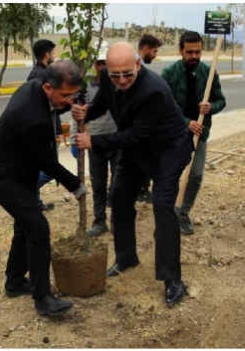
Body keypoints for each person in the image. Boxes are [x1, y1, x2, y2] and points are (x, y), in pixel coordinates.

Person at [72, 42, 192, 307]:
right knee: (120, 197)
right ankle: (126, 257)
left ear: (138, 64)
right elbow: (104, 103)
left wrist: (95, 142)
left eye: (128, 73)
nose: (122, 80)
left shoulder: (154, 90)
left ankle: (173, 280)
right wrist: (86, 113)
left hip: (167, 150)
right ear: (107, 70)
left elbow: (136, 134)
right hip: (137, 148)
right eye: (116, 75)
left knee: (162, 206)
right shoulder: (108, 77)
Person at [0, 60, 87, 316]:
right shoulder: (31, 116)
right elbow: (45, 161)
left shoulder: (35, 87)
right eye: (66, 96)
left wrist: (73, 108)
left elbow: (53, 111)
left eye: (73, 96)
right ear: (48, 87)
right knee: (37, 227)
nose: (70, 101)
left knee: (25, 226)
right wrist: (76, 185)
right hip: (0, 175)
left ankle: (14, 282)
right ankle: (43, 298)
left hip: (18, 170)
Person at [162, 31, 226, 235]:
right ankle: (167, 211)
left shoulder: (209, 72)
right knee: (172, 174)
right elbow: (163, 106)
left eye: (197, 52)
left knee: (196, 175)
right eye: (189, 52)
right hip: (175, 133)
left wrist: (211, 107)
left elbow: (220, 100)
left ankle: (183, 212)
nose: (194, 56)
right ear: (181, 51)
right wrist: (186, 122)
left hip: (201, 134)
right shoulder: (170, 73)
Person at [86, 43, 120, 237]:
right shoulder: (86, 86)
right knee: (98, 184)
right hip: (94, 143)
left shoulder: (117, 84)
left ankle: (117, 220)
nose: (102, 68)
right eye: (99, 63)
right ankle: (100, 221)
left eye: (105, 63)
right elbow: (80, 115)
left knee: (117, 184)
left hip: (115, 140)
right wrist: (76, 140)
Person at [27, 39, 60, 212]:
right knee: (49, 169)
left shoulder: (40, 72)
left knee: (39, 166)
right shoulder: (41, 75)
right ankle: (26, 191)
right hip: (42, 128)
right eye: (53, 53)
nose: (54, 56)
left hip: (44, 126)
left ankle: (34, 202)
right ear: (46, 54)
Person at [136, 34, 162, 202]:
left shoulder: (139, 68)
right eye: (154, 51)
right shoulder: (134, 68)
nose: (155, 55)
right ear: (145, 48)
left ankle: (142, 190)